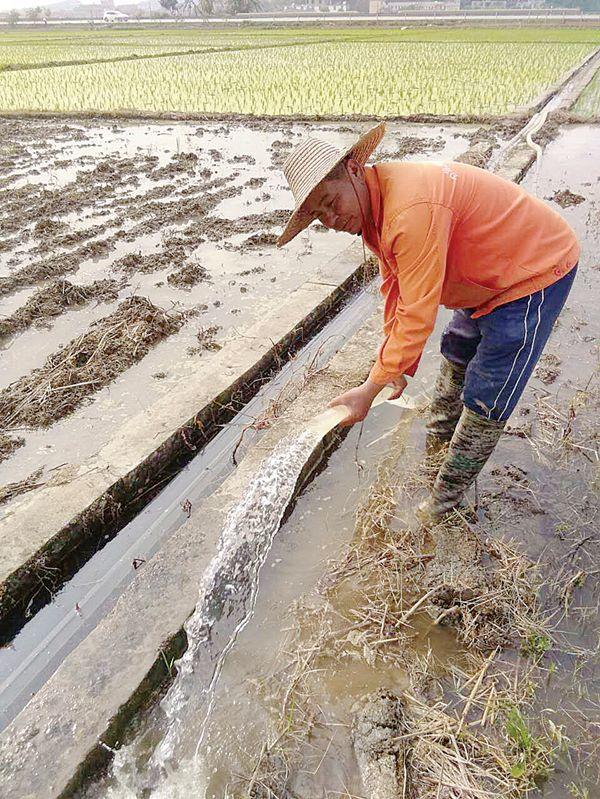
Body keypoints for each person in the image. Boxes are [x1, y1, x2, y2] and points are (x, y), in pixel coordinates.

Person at [276, 122, 579, 521]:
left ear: (352, 168)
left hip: (532, 271)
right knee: (456, 348)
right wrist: (393, 370)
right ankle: (438, 441)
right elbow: (394, 290)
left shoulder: (409, 209)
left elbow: (417, 313)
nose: (331, 219)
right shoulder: (376, 205)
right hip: (482, 274)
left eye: (331, 202)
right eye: (319, 216)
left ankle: (441, 504)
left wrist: (369, 389)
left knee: (490, 388)